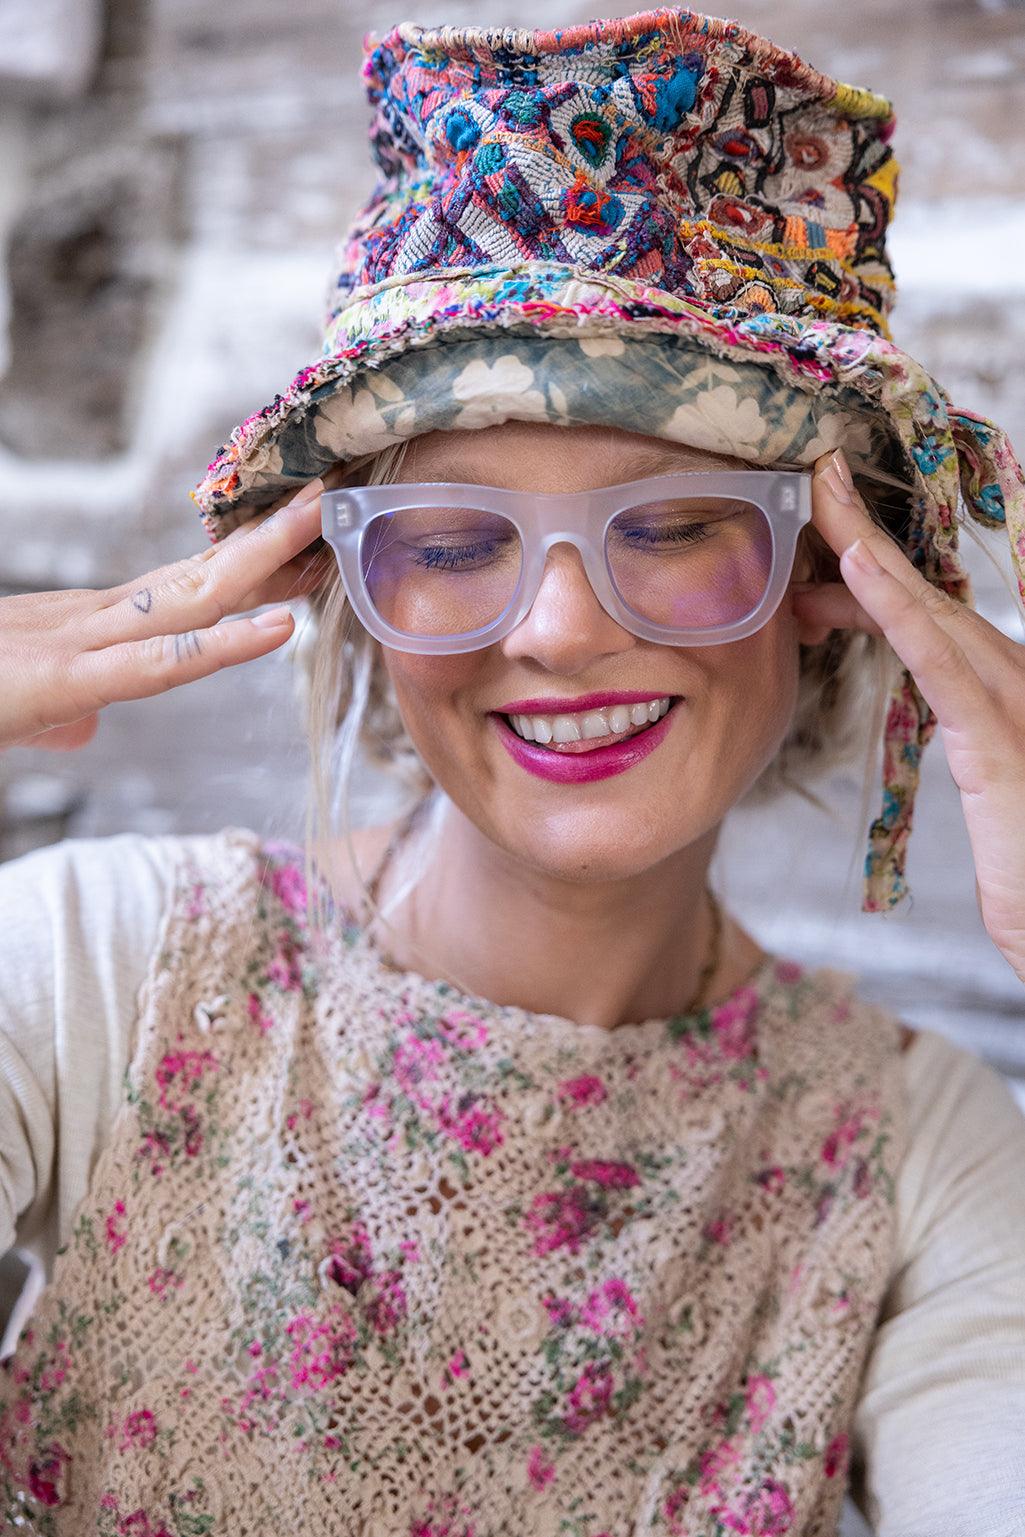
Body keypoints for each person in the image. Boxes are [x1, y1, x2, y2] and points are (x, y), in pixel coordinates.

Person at [1, 8, 1024, 1534]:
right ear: (345, 580)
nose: (555, 630)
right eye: (452, 541)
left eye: (673, 525)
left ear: (832, 580)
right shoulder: (92, 972)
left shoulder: (922, 1156)